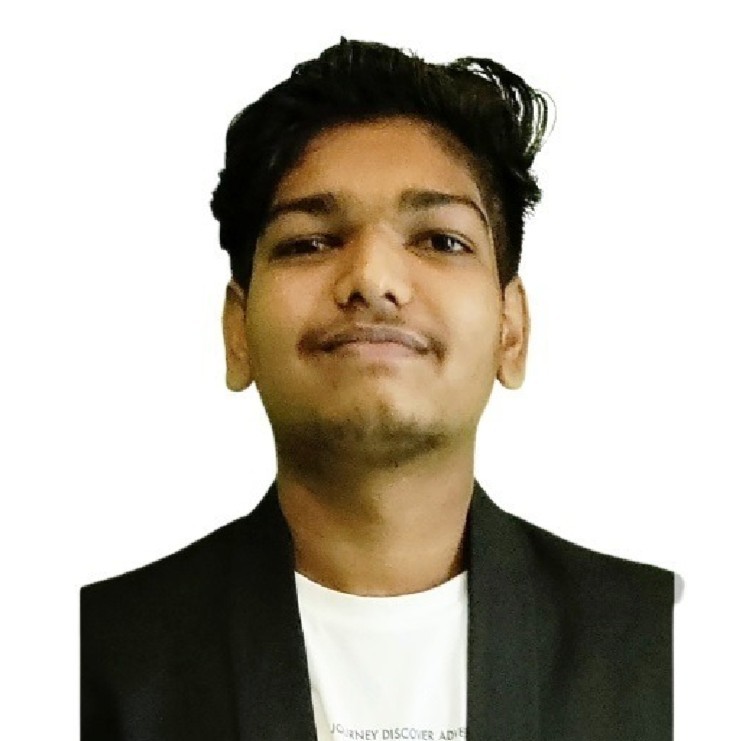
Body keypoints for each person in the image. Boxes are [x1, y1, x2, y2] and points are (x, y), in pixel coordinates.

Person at [81, 38, 675, 741]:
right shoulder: (88, 662)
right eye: (309, 242)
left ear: (510, 330)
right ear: (237, 331)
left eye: (440, 240)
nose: (372, 277)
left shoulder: (665, 645)